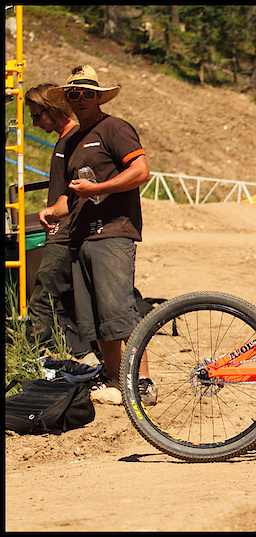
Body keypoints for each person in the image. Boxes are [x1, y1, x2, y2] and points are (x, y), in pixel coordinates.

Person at [39, 65, 155, 403]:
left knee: (121, 310)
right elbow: (67, 197)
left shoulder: (114, 127)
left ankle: (143, 381)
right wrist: (50, 212)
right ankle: (119, 382)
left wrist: (98, 188)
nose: (81, 99)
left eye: (88, 93)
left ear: (99, 97)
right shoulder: (71, 140)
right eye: (74, 94)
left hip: (113, 232)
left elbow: (140, 171)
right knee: (97, 319)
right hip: (80, 237)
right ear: (68, 100)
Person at [24, 84, 79, 348]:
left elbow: (77, 191)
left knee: (41, 298)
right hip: (62, 231)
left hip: (66, 233)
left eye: (37, 116)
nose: (34, 124)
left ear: (54, 109)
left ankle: (34, 361)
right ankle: (89, 358)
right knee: (71, 301)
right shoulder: (64, 140)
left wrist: (56, 212)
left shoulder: (75, 139)